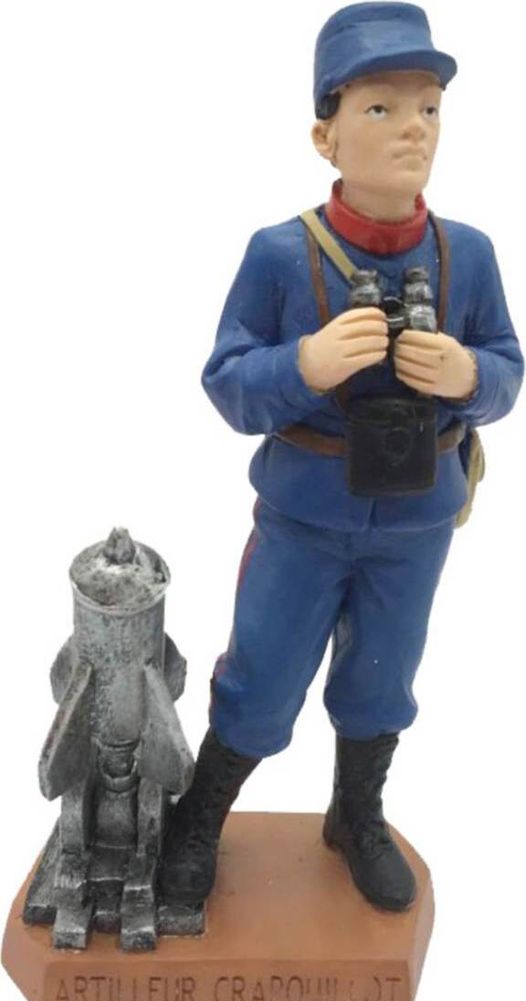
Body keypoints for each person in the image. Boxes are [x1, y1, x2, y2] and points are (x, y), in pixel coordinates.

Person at [161, 2, 523, 912]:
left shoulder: (469, 255)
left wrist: (468, 374)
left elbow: (506, 372)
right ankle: (201, 815)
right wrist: (305, 365)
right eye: (380, 107)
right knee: (264, 671)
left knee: (383, 677)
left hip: (417, 518)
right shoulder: (281, 255)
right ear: (325, 134)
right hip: (305, 515)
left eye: (429, 107)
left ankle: (356, 812)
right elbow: (228, 382)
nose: (413, 129)